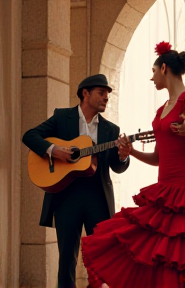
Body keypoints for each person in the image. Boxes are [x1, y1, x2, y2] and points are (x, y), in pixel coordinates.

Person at [81, 42, 185, 288]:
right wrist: (131, 151)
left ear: (164, 68)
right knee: (159, 251)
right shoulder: (161, 111)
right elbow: (158, 158)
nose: (152, 77)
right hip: (166, 186)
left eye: (154, 71)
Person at [22, 74, 131, 288]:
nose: (106, 98)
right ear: (85, 93)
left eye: (108, 95)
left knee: (100, 258)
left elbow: (116, 168)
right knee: (67, 260)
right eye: (101, 93)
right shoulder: (62, 118)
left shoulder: (111, 130)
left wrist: (123, 155)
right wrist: (55, 151)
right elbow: (29, 135)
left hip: (97, 198)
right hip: (66, 197)